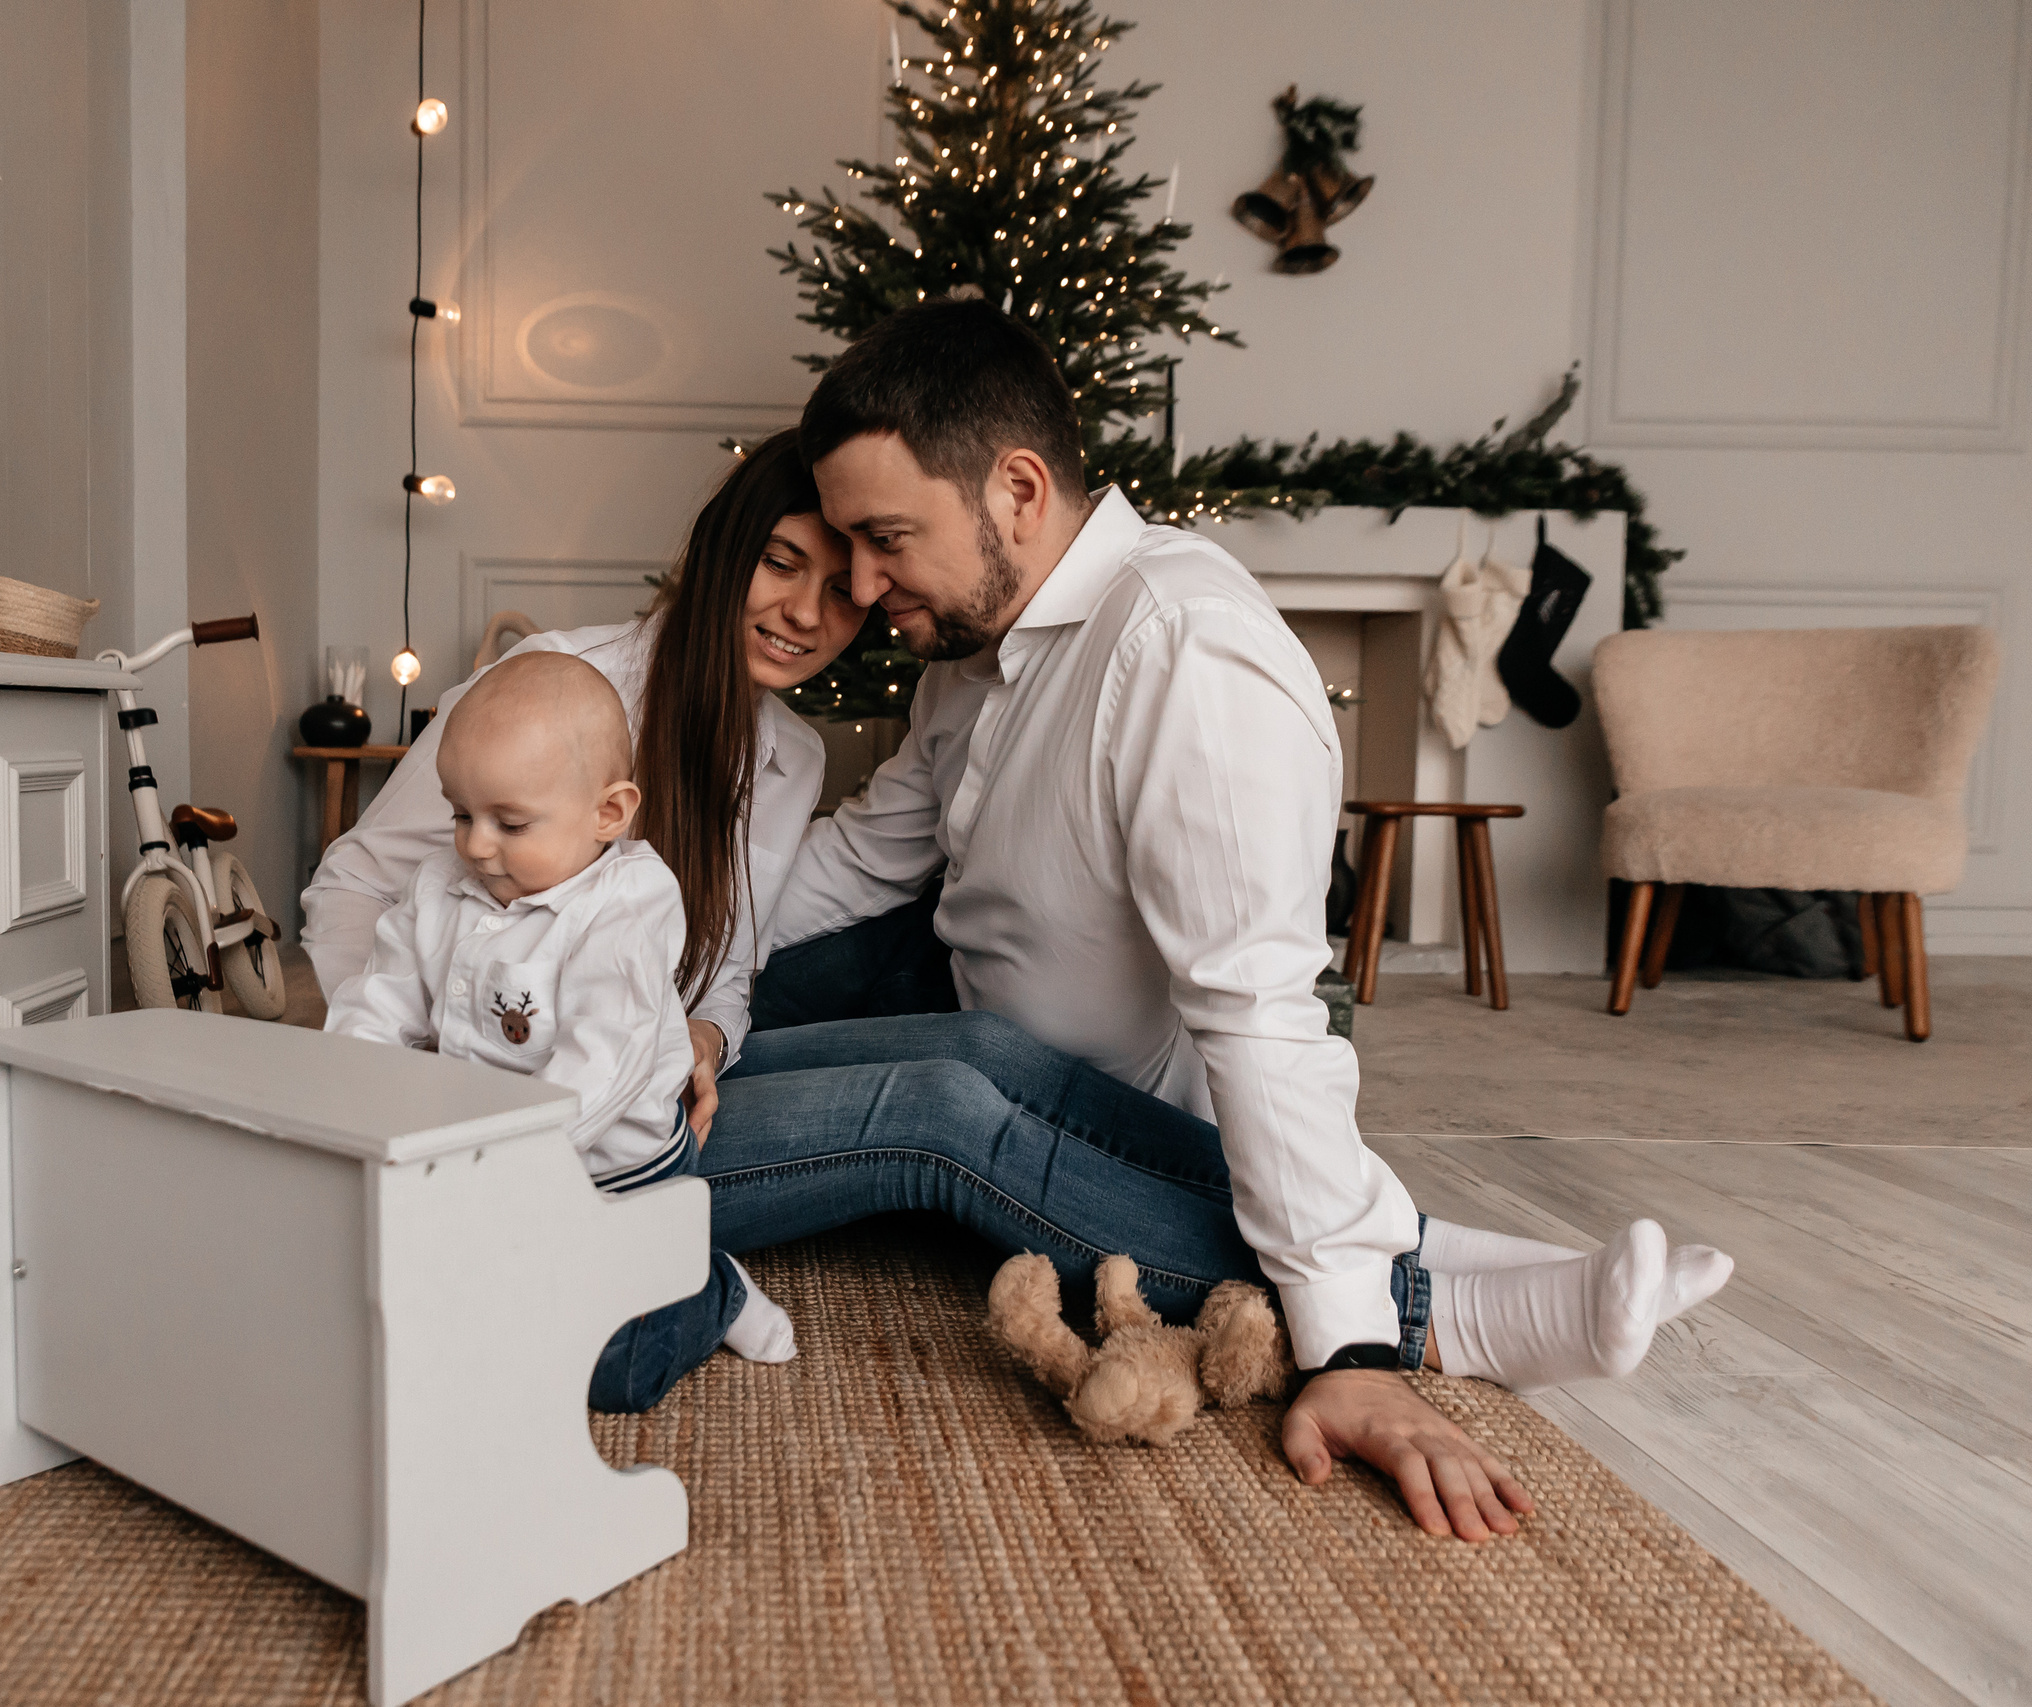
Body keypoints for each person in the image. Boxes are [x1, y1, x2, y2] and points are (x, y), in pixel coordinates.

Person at [693, 299, 1733, 1542]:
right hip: (1004, 1039)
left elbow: (1260, 1009)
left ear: (1017, 491)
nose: (859, 587)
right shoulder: (973, 654)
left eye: (885, 540)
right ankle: (1427, 1254)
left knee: (947, 1107)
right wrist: (671, 954)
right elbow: (869, 856)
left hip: (1121, 1106)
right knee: (964, 1064)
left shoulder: (1184, 655)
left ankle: (1410, 1310)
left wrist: (1346, 1346)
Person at [301, 428, 868, 1135]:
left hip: (664, 1088)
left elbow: (726, 970)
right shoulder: (548, 688)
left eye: (844, 592)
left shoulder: (797, 759)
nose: (807, 614)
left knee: (979, 1052)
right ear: (724, 549)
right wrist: (402, 1080)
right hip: (508, 1116)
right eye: (780, 563)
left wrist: (706, 1039)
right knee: (940, 1115)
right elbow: (355, 881)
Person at [323, 650, 797, 1411]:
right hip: (472, 1162)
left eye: (509, 822)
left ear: (607, 813)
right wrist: (354, 1101)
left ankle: (710, 1289)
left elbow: (600, 1062)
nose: (476, 844)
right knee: (424, 1317)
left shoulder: (629, 905)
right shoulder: (441, 888)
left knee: (612, 1372)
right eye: (460, 813)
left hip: (617, 1169)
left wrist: (502, 1157)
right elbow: (377, 1000)